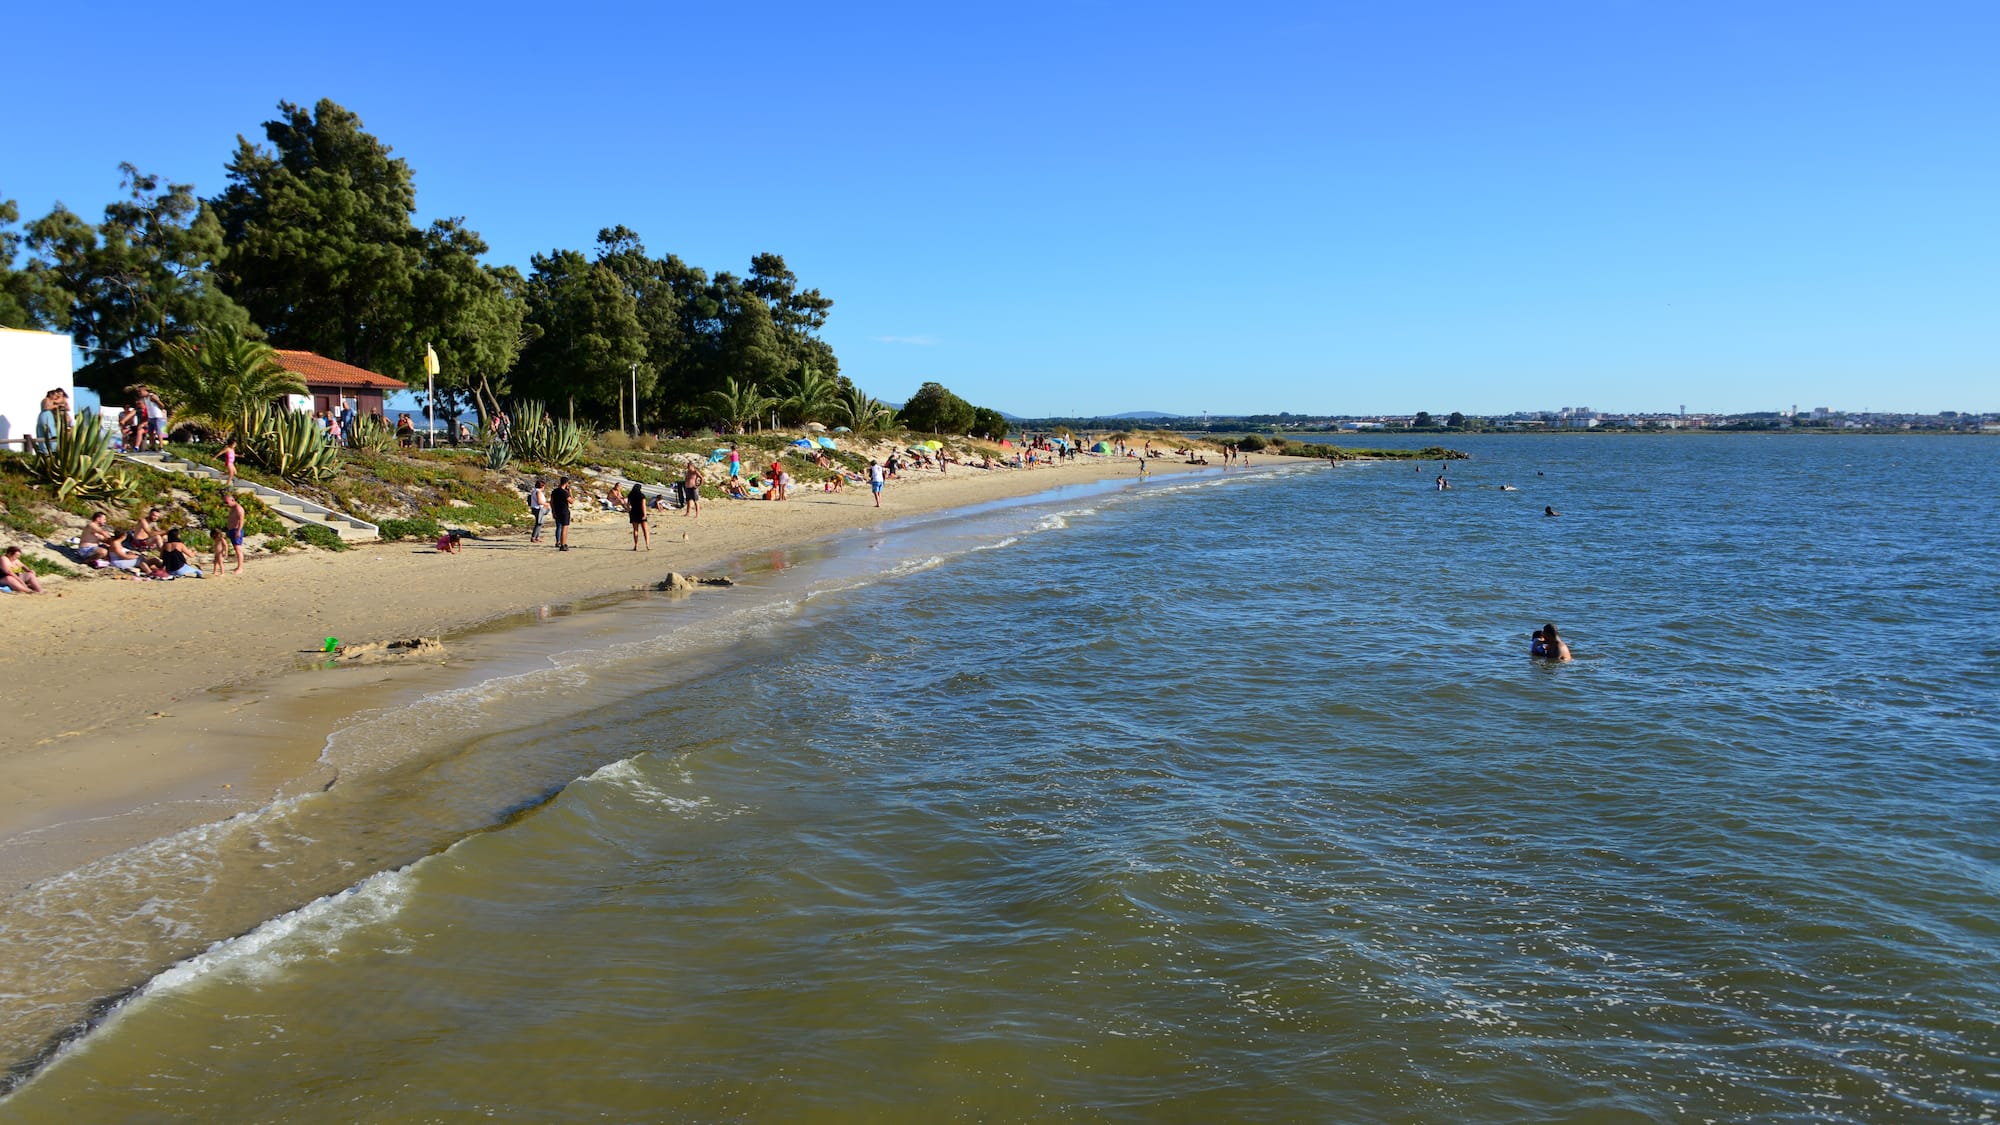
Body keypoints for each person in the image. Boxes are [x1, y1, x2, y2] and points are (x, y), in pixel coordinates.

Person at [218, 492, 247, 574]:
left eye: (227, 502)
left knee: (238, 549)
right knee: (236, 549)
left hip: (236, 530)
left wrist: (238, 531)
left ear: (232, 500)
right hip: (232, 530)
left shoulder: (238, 508)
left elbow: (241, 521)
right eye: (224, 503)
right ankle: (238, 566)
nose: (226, 504)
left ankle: (240, 568)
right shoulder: (232, 508)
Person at [550, 476, 572, 551]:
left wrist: (553, 511)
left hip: (557, 511)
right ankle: (563, 544)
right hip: (564, 511)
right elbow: (571, 501)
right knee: (564, 528)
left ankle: (559, 542)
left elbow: (551, 502)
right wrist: (570, 493)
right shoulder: (564, 492)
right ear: (566, 483)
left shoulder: (554, 491)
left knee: (558, 527)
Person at [627, 482, 650, 551]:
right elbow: (643, 506)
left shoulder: (630, 495)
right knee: (645, 530)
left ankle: (636, 545)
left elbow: (628, 505)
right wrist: (645, 514)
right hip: (641, 513)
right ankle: (647, 545)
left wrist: (629, 512)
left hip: (633, 513)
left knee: (635, 530)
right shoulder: (641, 495)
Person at [528, 477, 547, 542]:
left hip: (535, 508)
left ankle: (537, 537)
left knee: (539, 523)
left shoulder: (534, 491)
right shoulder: (538, 492)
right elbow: (539, 502)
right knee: (538, 523)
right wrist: (546, 504)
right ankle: (534, 537)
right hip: (538, 509)